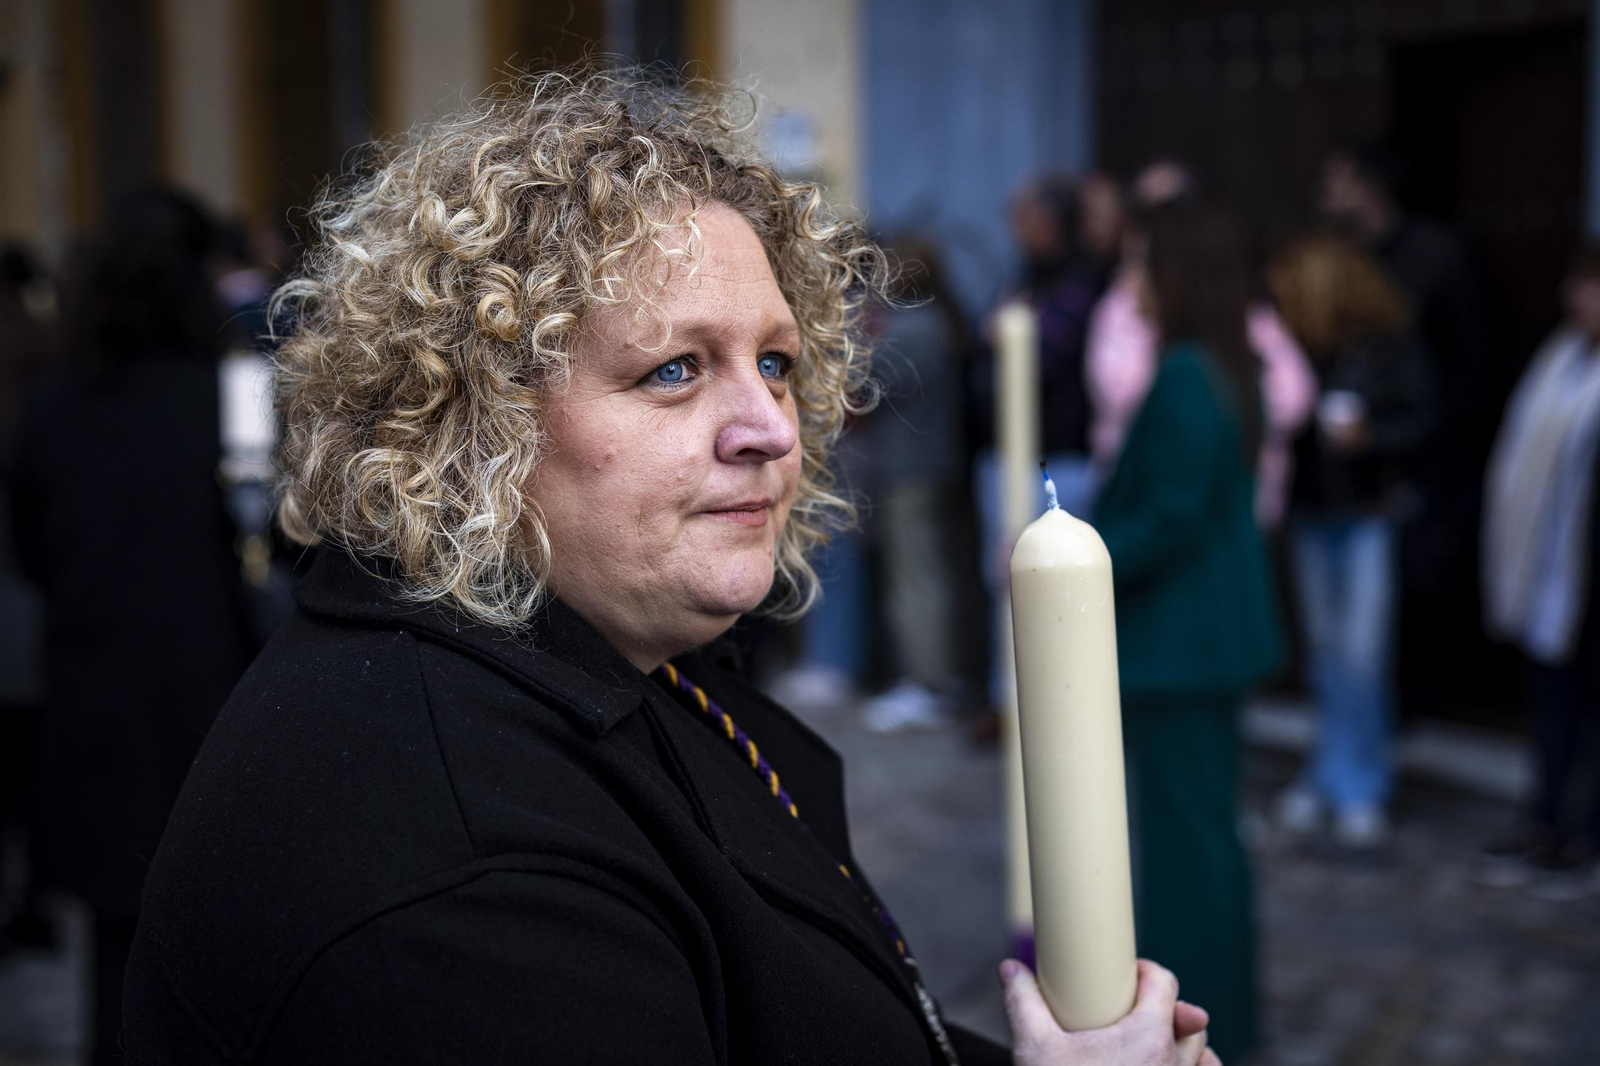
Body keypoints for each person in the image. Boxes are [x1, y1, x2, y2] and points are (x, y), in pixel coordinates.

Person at [123, 73, 1220, 1066]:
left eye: (777, 363)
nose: (770, 429)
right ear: (470, 419)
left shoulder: (592, 655)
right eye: (673, 369)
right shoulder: (456, 874)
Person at [9, 191, 259, 1064]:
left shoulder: (54, 409)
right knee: (224, 938)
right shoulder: (222, 401)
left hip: (94, 700)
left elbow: (32, 554)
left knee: (113, 959)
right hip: (208, 692)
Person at [1093, 202, 1282, 1064]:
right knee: (1198, 841)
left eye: (1142, 263)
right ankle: (1211, 1015)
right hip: (1202, 638)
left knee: (1186, 853)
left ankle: (1199, 1024)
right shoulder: (1224, 365)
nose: (1131, 283)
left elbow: (1172, 515)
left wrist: (1066, 553)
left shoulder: (1187, 376)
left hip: (1181, 643)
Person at [1267, 231, 1436, 848]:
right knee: (1324, 649)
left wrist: (1372, 438)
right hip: (1315, 511)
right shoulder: (1299, 347)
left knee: (1362, 654)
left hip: (1368, 510)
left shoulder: (1388, 344)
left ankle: (1361, 783)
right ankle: (1329, 770)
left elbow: (1422, 421)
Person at [1086, 165, 1316, 529]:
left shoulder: (1197, 360)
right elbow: (1115, 384)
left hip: (1216, 521)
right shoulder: (1125, 312)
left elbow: (1293, 391)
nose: (1134, 280)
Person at [1481, 242, 1600, 887]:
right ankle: (1547, 818)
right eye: (1578, 285)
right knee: (1554, 698)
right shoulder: (1560, 359)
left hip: (1590, 569)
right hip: (1554, 560)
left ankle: (1584, 833)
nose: (1580, 299)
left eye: (1593, 287)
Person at [856, 234, 973, 732]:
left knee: (915, 577)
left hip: (912, 469)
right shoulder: (940, 324)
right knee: (926, 572)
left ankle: (926, 681)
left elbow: (864, 384)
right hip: (930, 464)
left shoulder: (913, 331)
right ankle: (935, 678)